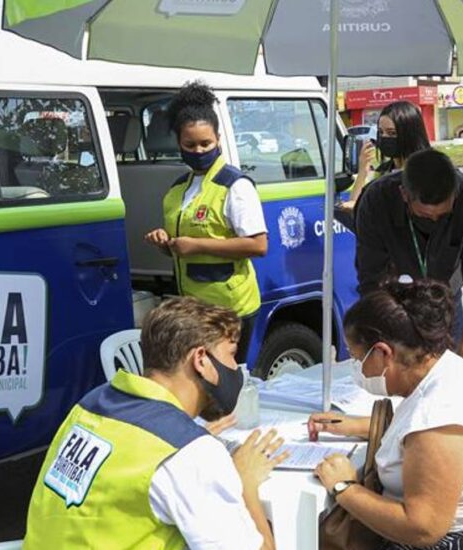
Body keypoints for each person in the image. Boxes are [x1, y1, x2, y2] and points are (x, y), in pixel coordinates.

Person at [307, 279, 463, 550]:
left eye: (358, 358)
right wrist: (360, 426)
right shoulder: (447, 371)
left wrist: (344, 488)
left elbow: (423, 527)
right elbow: (428, 441)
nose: (358, 369)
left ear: (382, 352)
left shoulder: (438, 411)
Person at [24, 297, 288, 549]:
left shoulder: (91, 404)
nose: (234, 366)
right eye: (231, 354)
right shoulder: (190, 454)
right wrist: (244, 483)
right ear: (201, 360)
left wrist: (190, 436)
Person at [145, 81, 267, 365]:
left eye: (205, 143)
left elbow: (258, 245)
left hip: (230, 308)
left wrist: (196, 245)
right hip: (194, 308)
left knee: (225, 384)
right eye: (190, 145)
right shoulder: (177, 190)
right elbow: (181, 249)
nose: (198, 150)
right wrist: (166, 242)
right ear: (179, 145)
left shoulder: (234, 186)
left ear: (219, 139)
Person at [354, 148, 463, 368]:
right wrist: (395, 342)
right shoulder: (376, 201)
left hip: (448, 303)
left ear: (454, 194)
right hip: (397, 304)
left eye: (443, 216)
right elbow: (372, 283)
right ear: (404, 195)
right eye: (425, 216)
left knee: (450, 376)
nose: (435, 221)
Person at [339, 101, 432, 213]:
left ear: (409, 134)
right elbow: (355, 204)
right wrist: (363, 171)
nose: (385, 138)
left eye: (392, 133)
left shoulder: (427, 172)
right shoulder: (383, 172)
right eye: (381, 133)